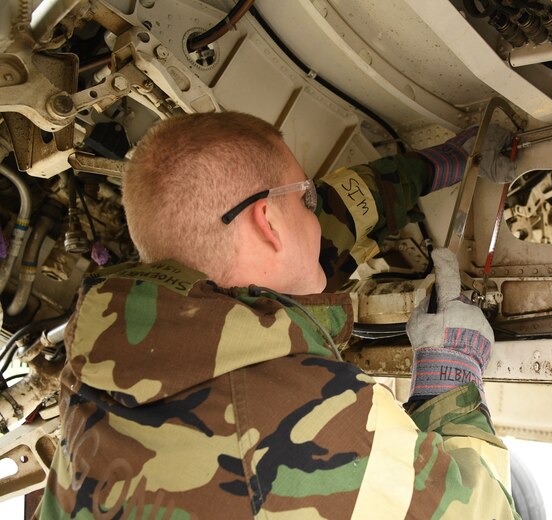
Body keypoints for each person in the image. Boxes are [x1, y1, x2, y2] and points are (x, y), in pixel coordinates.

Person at [36, 112, 519, 519]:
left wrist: (438, 166)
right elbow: (486, 508)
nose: (315, 213)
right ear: (267, 223)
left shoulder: (97, 373)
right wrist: (451, 386)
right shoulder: (320, 418)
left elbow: (329, 222)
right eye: (306, 199)